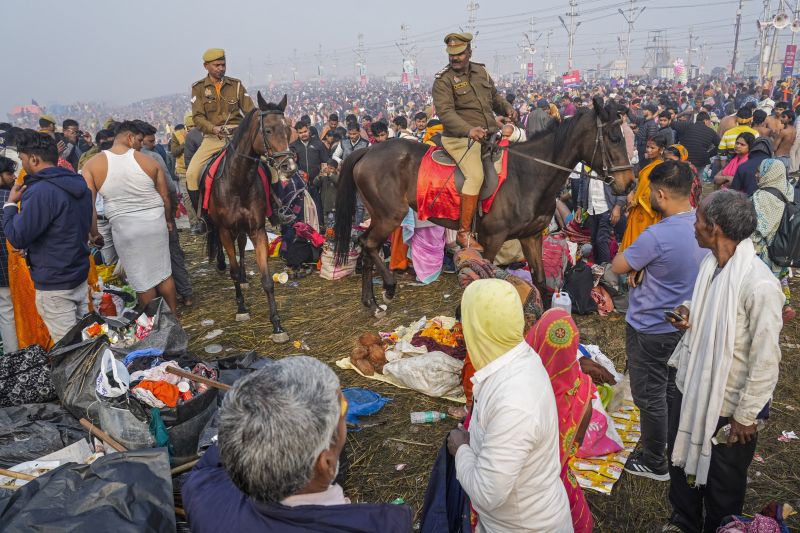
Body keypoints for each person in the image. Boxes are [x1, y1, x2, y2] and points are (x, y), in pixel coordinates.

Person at [663, 190, 783, 533]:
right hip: (691, 385)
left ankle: (720, 527)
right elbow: (711, 306)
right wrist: (689, 311)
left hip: (728, 404)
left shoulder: (760, 285)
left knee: (723, 485)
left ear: (714, 227)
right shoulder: (713, 266)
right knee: (680, 466)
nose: (694, 225)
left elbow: (766, 358)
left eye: (698, 219)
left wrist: (746, 416)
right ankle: (684, 522)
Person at [181, 356, 413, 533]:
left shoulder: (201, 491)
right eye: (341, 409)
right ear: (326, 463)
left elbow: (213, 459)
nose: (343, 410)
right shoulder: (381, 526)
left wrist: (250, 418)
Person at [448, 278, 572, 532]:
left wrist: (461, 449)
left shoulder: (514, 401)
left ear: (478, 328)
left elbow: (487, 493)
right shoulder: (516, 358)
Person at [611, 160, 708, 481]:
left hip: (650, 328)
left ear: (662, 194)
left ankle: (655, 462)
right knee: (669, 388)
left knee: (648, 395)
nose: (649, 197)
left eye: (651, 191)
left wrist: (638, 265)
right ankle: (669, 444)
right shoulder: (703, 225)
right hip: (681, 325)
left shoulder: (657, 235)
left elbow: (619, 264)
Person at [2, 130, 93, 343]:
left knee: (70, 349)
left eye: (23, 159)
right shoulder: (76, 182)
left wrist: (10, 204)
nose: (22, 165)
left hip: (56, 283)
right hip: (77, 274)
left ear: (34, 159)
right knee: (85, 340)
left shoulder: (40, 190)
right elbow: (62, 227)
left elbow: (17, 237)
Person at [82, 121, 178, 313]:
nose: (141, 145)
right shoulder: (149, 161)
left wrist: (94, 233)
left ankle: (153, 323)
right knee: (164, 274)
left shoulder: (92, 165)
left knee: (142, 280)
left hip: (125, 230)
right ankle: (173, 318)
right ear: (130, 137)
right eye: (139, 140)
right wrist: (168, 220)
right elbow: (165, 196)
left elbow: (89, 204)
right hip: (155, 224)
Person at [432, 32, 515, 252]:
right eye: (451, 54)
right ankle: (464, 233)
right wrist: (468, 130)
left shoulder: (481, 71)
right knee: (476, 176)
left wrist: (506, 107)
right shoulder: (443, 81)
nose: (455, 58)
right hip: (459, 139)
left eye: (459, 53)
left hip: (488, 135)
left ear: (469, 52)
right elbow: (446, 113)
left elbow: (494, 98)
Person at [525, 308, 595, 533]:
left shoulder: (521, 391)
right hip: (559, 482)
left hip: (524, 490)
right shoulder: (583, 391)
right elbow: (574, 445)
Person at [185, 48, 255, 222]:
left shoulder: (236, 85)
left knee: (270, 168)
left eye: (223, 64)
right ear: (206, 66)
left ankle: (276, 211)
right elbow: (198, 117)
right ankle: (202, 218)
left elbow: (250, 111)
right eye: (216, 65)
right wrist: (213, 128)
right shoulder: (198, 88)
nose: (221, 68)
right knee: (191, 175)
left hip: (238, 137)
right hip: (213, 138)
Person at [750, 158, 796, 322]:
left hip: (764, 251)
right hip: (783, 245)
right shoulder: (788, 190)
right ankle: (785, 304)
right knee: (781, 275)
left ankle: (763, 316)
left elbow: (757, 230)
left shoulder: (760, 197)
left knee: (761, 284)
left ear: (769, 173)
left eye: (759, 171)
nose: (756, 175)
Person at [620, 135, 667, 251]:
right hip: (638, 208)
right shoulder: (650, 165)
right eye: (647, 147)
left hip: (647, 211)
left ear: (661, 150)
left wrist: (635, 201)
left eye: (653, 148)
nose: (649, 150)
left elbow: (652, 191)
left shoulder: (660, 167)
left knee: (640, 242)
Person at [290, 121, 329, 228]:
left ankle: (320, 226)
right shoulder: (293, 146)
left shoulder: (318, 144)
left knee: (317, 205)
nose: (303, 134)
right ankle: (301, 228)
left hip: (316, 181)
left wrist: (322, 178)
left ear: (309, 130)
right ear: (297, 133)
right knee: (301, 207)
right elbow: (291, 164)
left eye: (305, 131)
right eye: (300, 132)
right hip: (300, 183)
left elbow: (325, 161)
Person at [0, 156, 18, 353]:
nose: (13, 177)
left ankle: (12, 358)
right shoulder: (11, 198)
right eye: (8, 173)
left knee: (6, 313)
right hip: (13, 265)